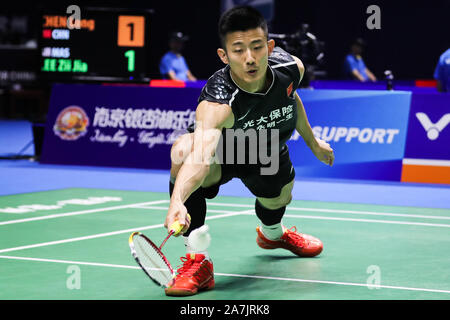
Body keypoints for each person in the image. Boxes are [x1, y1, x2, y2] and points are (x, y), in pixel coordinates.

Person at [163, 6, 335, 296]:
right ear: (224, 55)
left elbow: (292, 97)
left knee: (282, 195)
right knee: (183, 150)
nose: (250, 58)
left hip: (265, 149)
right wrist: (176, 201)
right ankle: (197, 261)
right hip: (224, 150)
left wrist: (313, 142)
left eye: (257, 47)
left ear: (269, 46)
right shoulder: (217, 102)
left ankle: (273, 236)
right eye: (238, 50)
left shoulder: (292, 68)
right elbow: (201, 155)